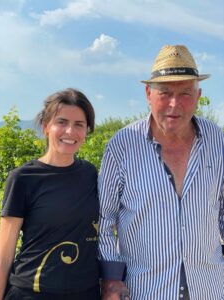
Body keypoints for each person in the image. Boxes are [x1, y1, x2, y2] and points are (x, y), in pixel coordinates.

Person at [98, 45, 224, 300]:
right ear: (148, 94)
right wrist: (111, 279)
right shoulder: (123, 145)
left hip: (209, 287)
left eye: (185, 93)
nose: (175, 104)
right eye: (165, 93)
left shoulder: (217, 141)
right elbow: (103, 219)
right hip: (144, 289)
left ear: (198, 95)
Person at [0, 88, 100, 300]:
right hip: (32, 292)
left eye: (79, 124)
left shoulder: (90, 174)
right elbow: (4, 253)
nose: (70, 131)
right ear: (46, 126)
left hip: (85, 293)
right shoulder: (23, 178)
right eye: (61, 122)